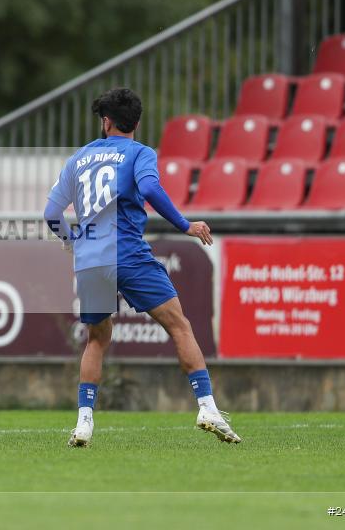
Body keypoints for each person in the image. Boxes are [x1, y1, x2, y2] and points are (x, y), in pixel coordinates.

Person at [43, 87, 241, 447]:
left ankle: (84, 422)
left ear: (106, 121)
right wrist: (185, 225)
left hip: (90, 262)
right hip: (128, 253)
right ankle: (207, 407)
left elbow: (51, 214)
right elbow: (150, 188)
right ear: (135, 121)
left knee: (98, 339)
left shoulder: (80, 157)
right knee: (179, 325)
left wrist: (74, 242)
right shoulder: (139, 153)